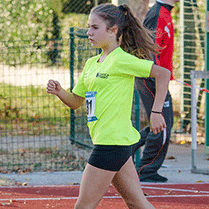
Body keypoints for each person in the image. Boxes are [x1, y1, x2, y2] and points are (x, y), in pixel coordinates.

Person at [47, 3, 170, 209]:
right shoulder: (91, 64)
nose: (89, 32)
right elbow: (76, 102)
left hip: (111, 143)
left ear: (113, 30)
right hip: (112, 141)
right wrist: (60, 92)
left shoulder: (121, 60)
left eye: (95, 27)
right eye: (89, 27)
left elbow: (162, 74)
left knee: (83, 206)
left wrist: (156, 112)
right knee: (137, 203)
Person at [133, 0, 180, 183]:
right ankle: (146, 170)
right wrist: (155, 78)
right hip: (150, 78)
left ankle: (126, 150)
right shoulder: (157, 13)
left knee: (162, 123)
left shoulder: (166, 13)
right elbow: (149, 48)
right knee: (163, 124)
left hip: (158, 79)